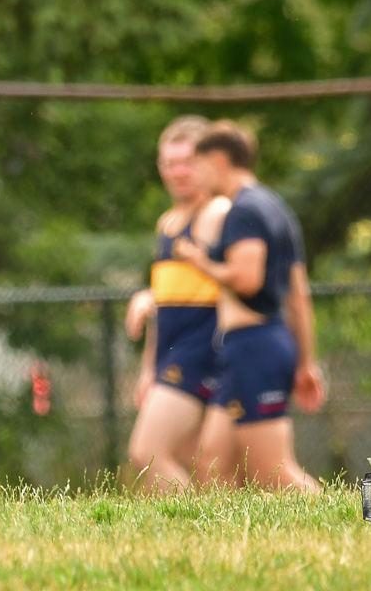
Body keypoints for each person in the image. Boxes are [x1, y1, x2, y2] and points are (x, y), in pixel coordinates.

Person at [173, 121, 326, 492]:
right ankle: (238, 546)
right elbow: (299, 294)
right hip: (256, 345)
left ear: (220, 160)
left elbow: (247, 279)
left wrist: (200, 262)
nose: (195, 173)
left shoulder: (244, 210)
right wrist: (306, 361)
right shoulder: (276, 207)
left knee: (274, 472)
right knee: (212, 463)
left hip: (254, 345)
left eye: (199, 162)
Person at [123, 115, 224, 492]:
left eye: (187, 161)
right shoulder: (167, 223)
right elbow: (163, 309)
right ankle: (223, 538)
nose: (178, 171)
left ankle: (194, 531)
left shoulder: (217, 214)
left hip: (204, 355)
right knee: (211, 468)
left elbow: (242, 280)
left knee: (146, 452)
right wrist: (148, 369)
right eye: (169, 163)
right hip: (173, 357)